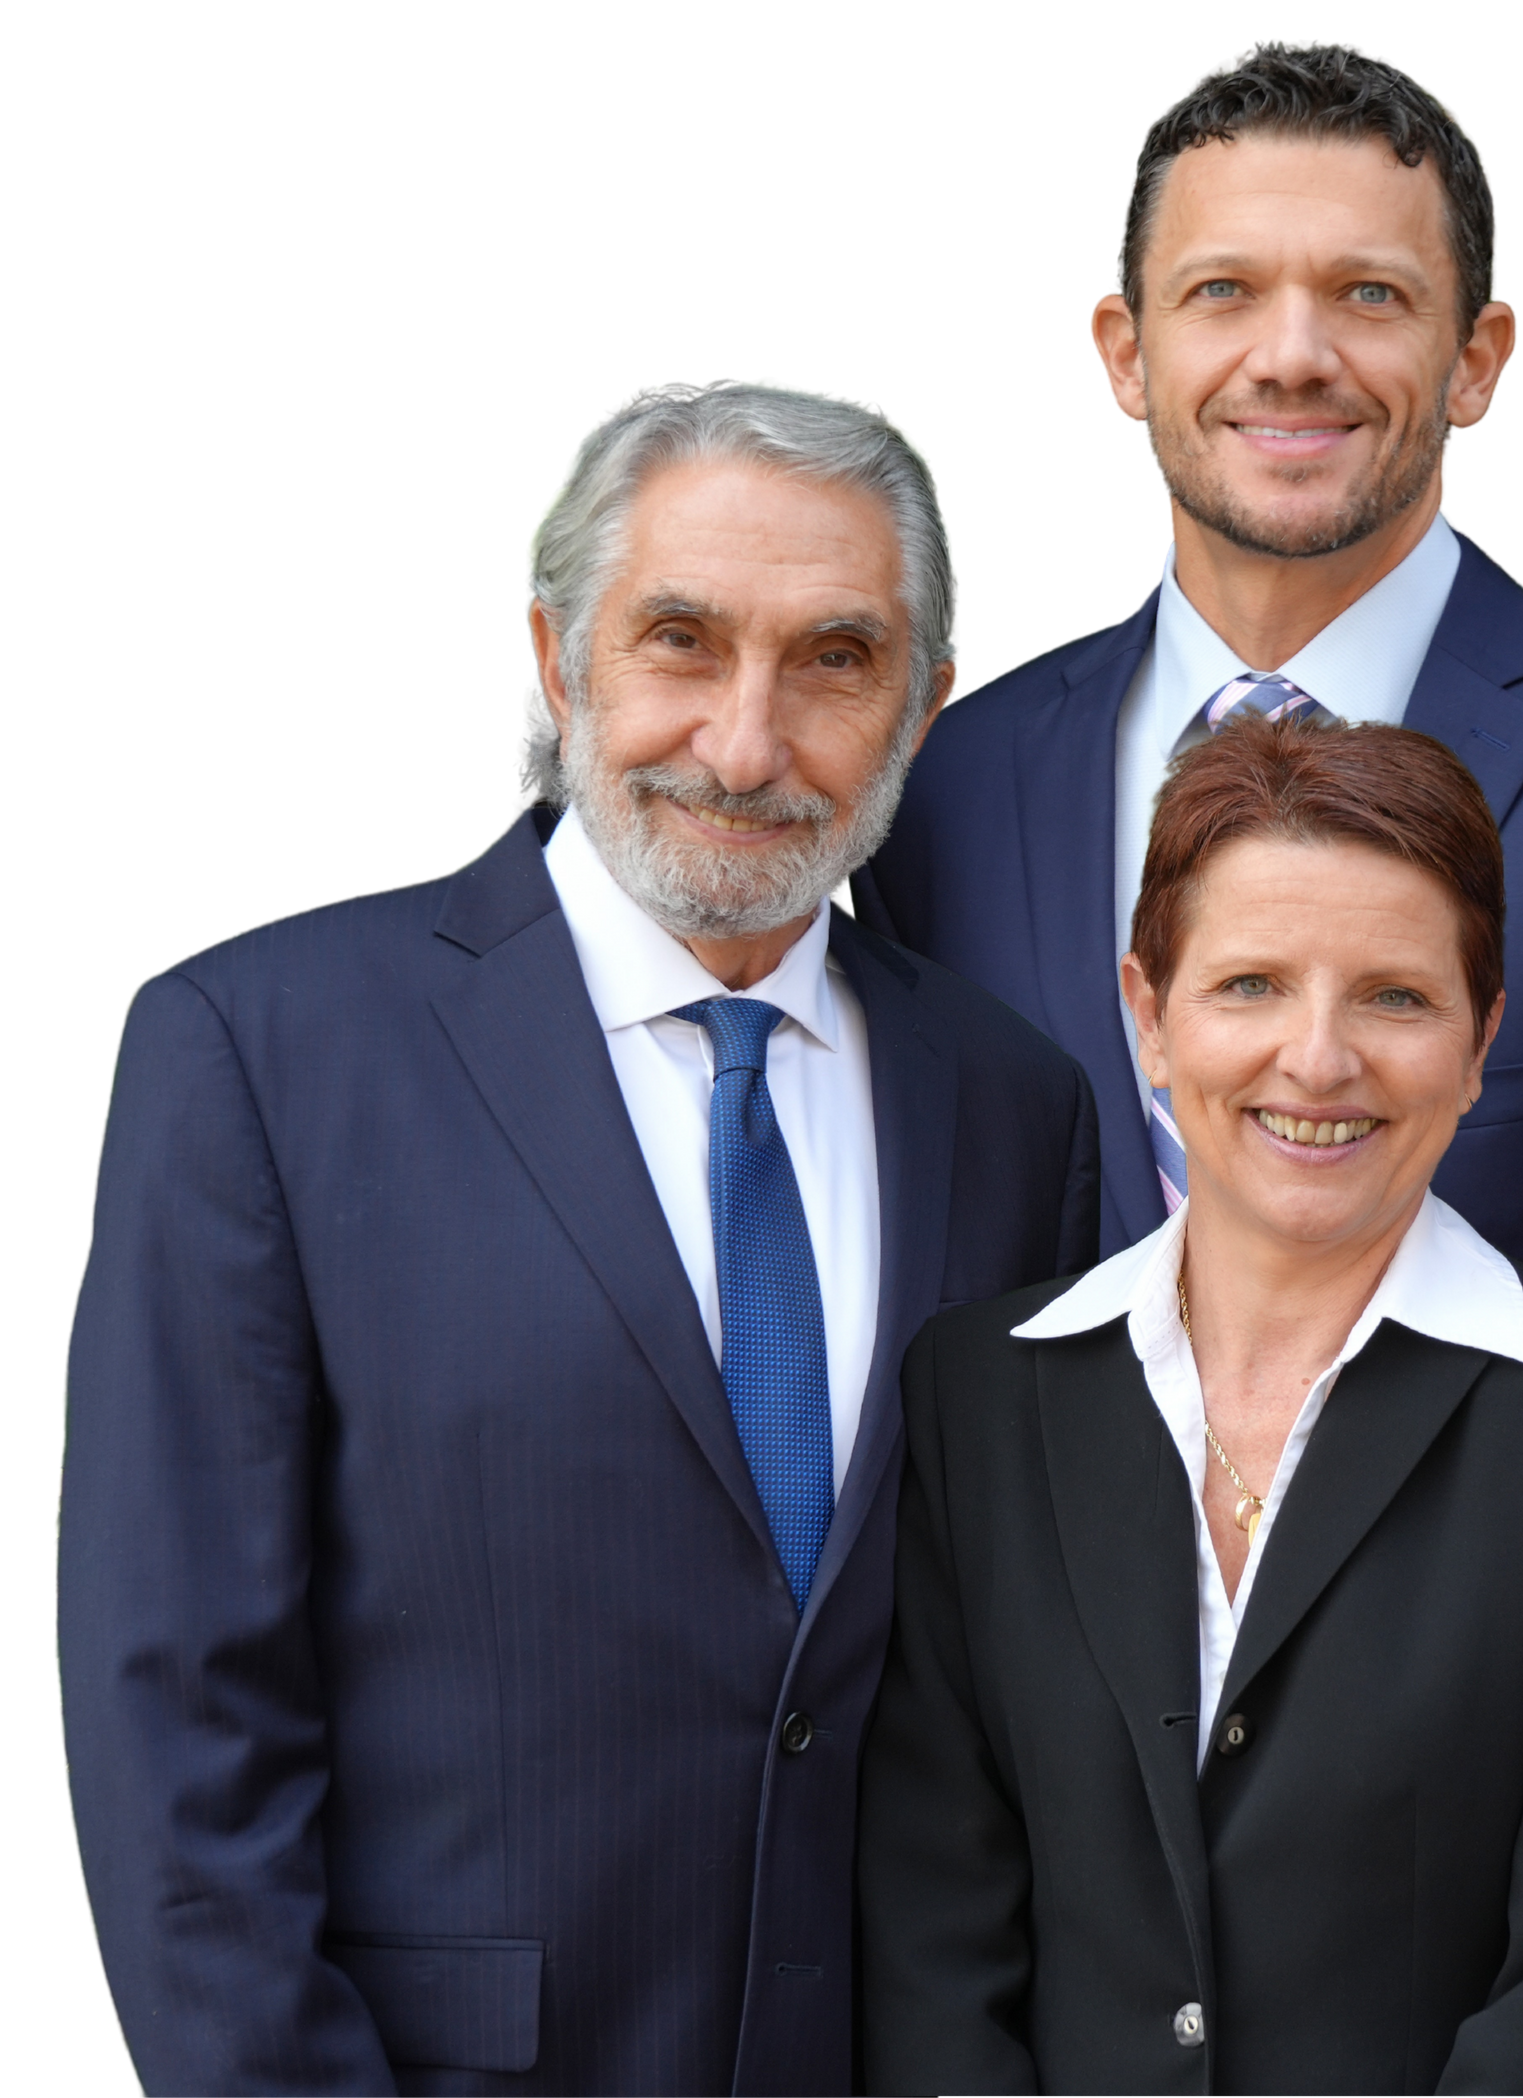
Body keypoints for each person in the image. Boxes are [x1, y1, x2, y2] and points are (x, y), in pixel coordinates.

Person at [58, 382, 1099, 2096]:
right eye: (681, 639)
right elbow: (182, 1715)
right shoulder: (261, 1052)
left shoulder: (1012, 1104)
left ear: (926, 709)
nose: (747, 743)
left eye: (835, 660)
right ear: (560, 661)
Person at [851, 37, 1523, 1583]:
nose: (1293, 355)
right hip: (1029, 1774)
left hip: (1512, 1779)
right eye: (1224, 293)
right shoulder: (942, 789)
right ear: (1122, 351)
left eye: (1368, 295)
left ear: (1478, 358)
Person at [859, 716, 1523, 2096]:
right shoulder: (980, 1393)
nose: (1318, 1059)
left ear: (1480, 1039)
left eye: (1395, 996)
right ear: (1148, 1016)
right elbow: (934, 1924)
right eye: (1252, 984)